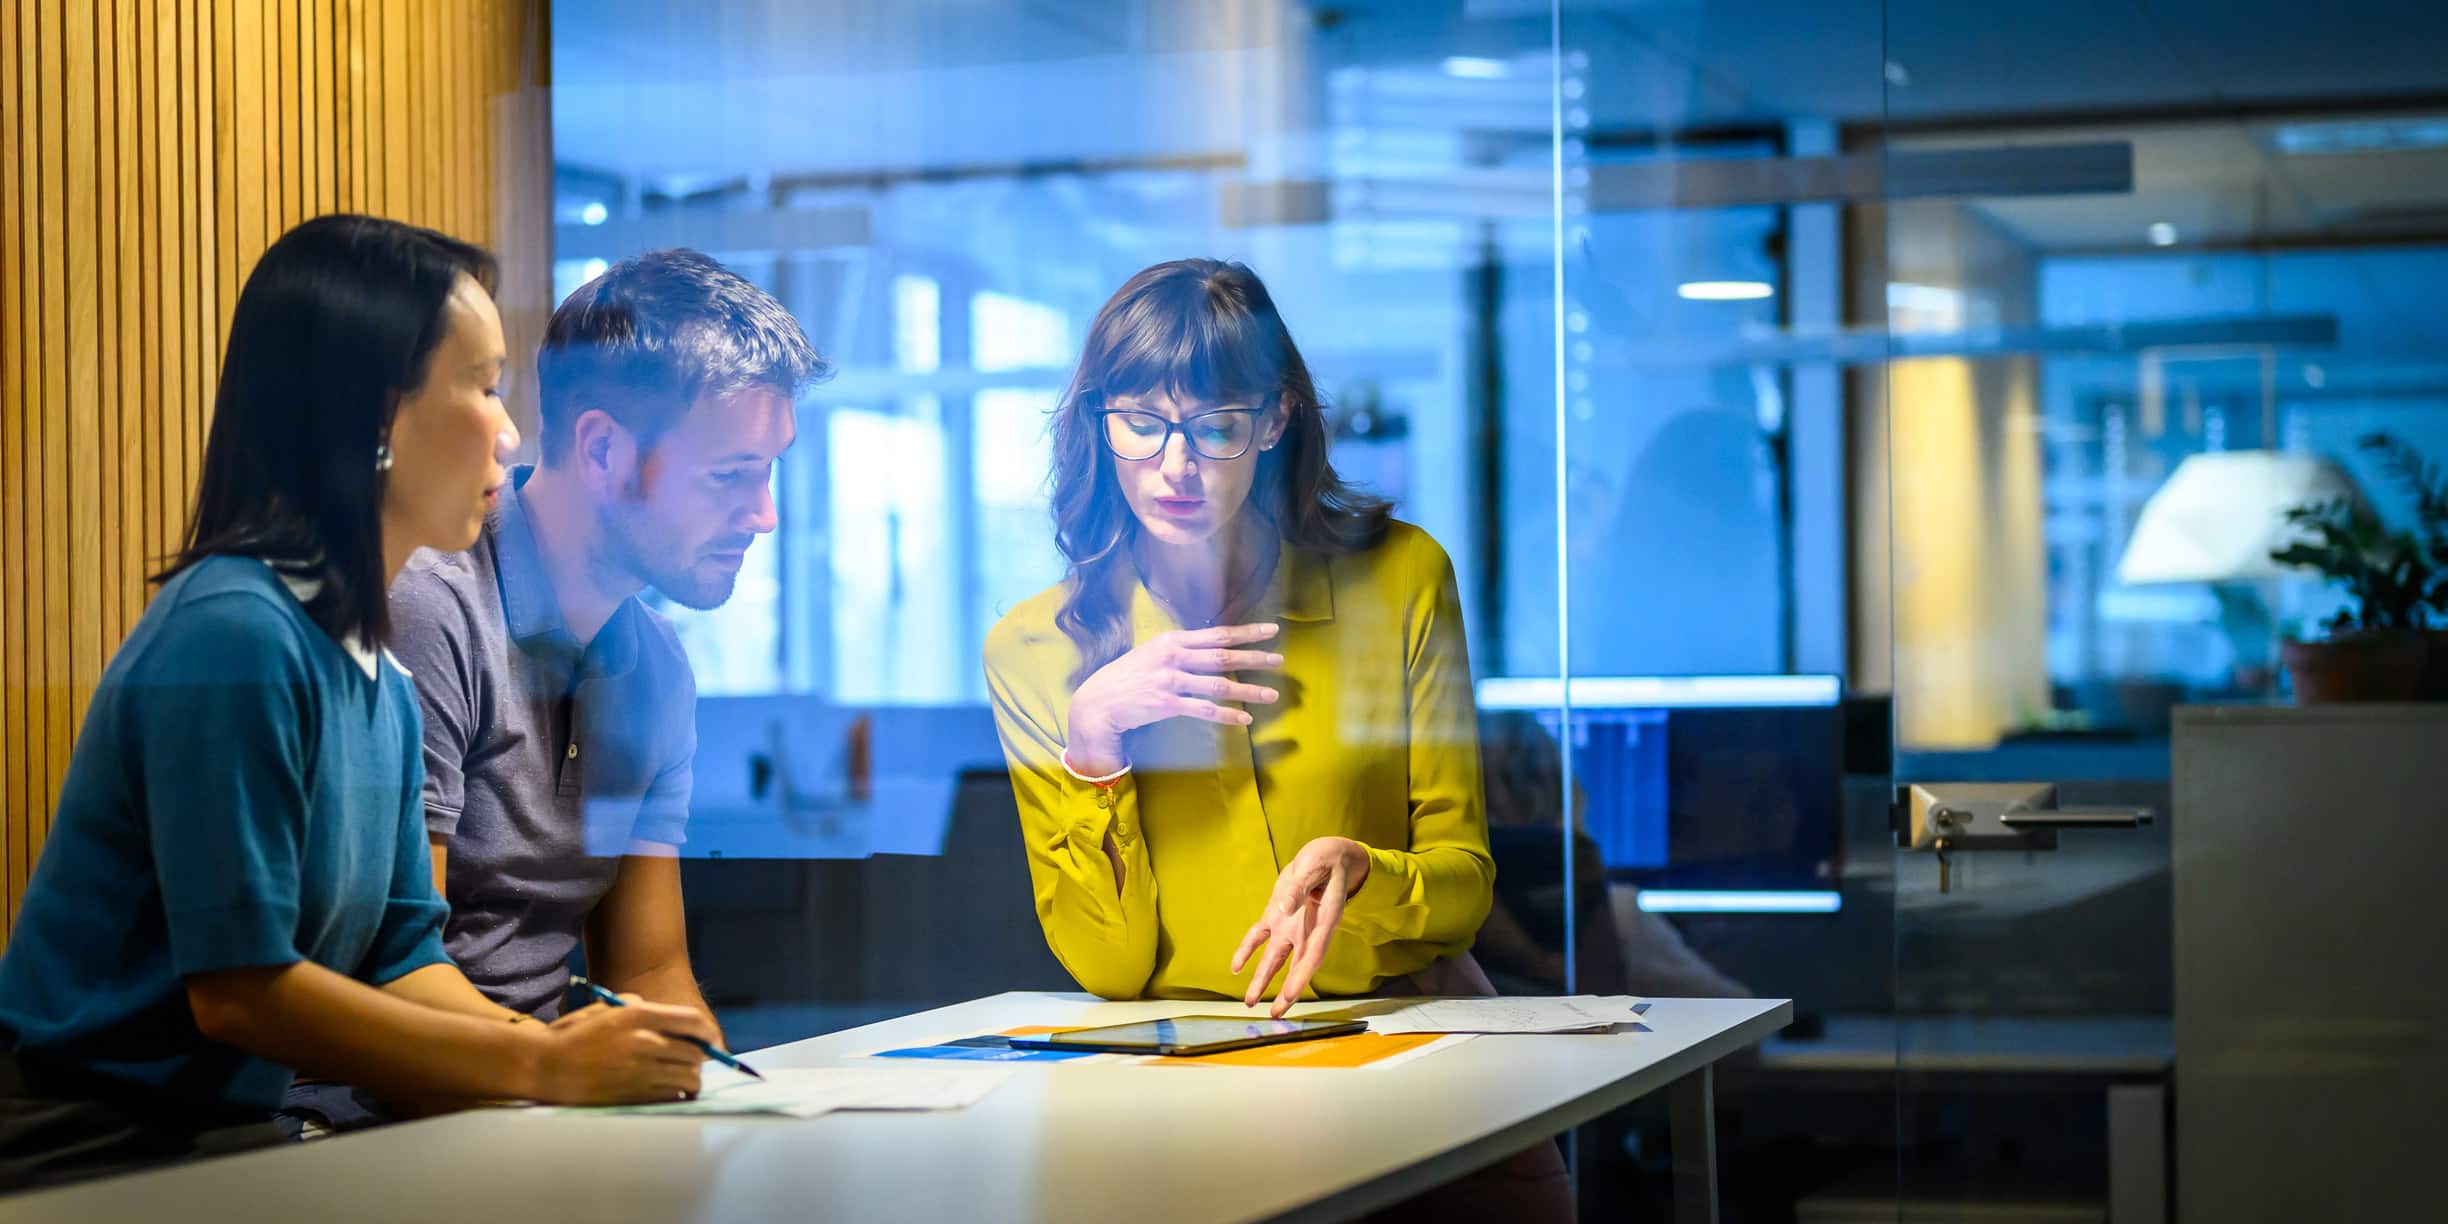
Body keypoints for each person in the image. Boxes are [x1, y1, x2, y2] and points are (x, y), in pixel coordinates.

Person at [0, 216, 718, 1192]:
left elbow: (402, 955)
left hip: (222, 1153)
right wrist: (539, 1065)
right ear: (381, 418)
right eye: (485, 388)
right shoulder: (235, 632)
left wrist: (573, 1059)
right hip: (85, 1162)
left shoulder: (374, 667)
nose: (510, 435)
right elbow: (243, 992)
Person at [279, 250, 826, 1138]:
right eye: (730, 475)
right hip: (361, 1126)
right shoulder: (428, 608)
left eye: (769, 472)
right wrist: (563, 1075)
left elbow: (648, 973)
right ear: (603, 449)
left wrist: (723, 1107)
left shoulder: (656, 667)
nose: (765, 514)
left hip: (530, 1113)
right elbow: (390, 970)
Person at [983, 257, 1495, 1012]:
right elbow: (1108, 968)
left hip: (1392, 1024)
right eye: (1141, 425)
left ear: (1275, 419)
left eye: (1215, 427)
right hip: (1174, 1054)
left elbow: (1466, 889)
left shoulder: (1401, 578)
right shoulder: (1031, 648)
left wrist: (1366, 871)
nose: (1176, 467)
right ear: (1099, 421)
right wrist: (1092, 744)